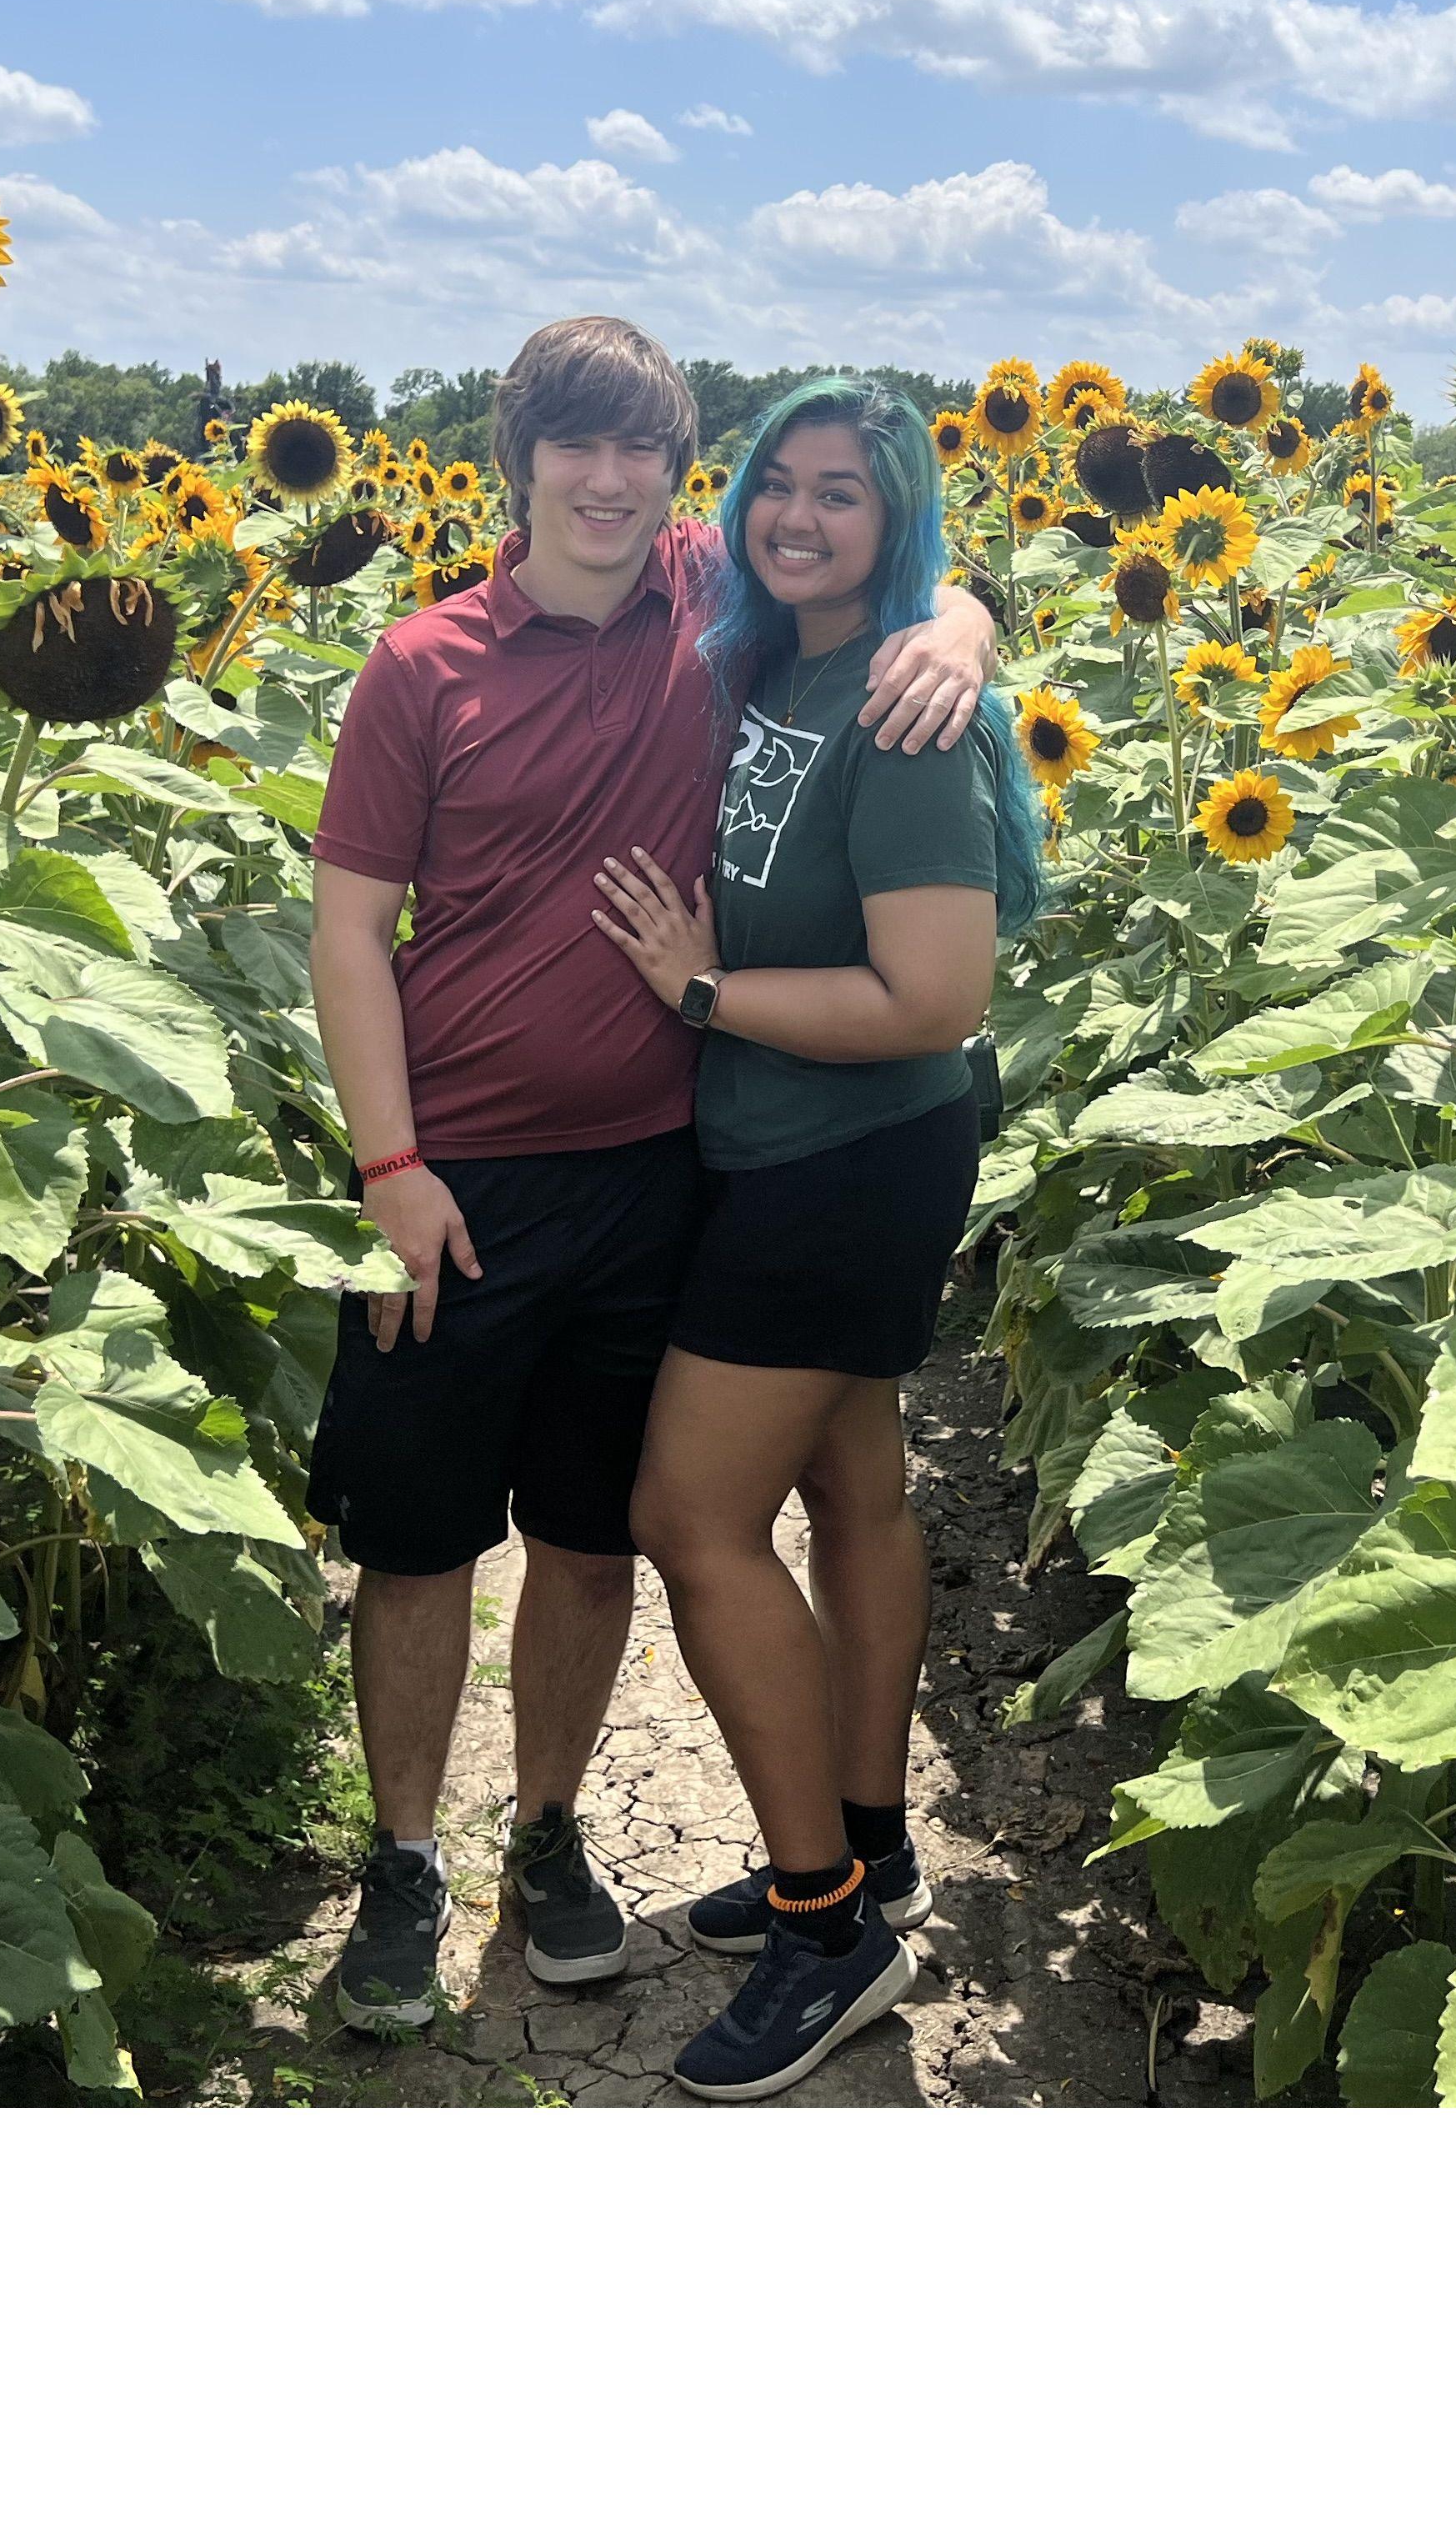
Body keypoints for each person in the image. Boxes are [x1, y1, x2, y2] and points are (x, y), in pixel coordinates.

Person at [305, 317, 999, 2038]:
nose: (611, 485)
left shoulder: (714, 597)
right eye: (577, 450)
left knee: (594, 1534)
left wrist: (964, 631)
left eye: (643, 455)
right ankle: (404, 1861)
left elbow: (893, 542)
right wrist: (387, 1164)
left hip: (658, 1173)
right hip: (452, 1175)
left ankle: (546, 1837)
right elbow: (345, 931)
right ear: (519, 460)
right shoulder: (423, 666)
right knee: (415, 1544)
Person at [589, 374, 1043, 2100]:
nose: (798, 517)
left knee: (688, 1515)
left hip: (849, 1155)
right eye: (776, 482)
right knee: (853, 1489)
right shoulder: (774, 647)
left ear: (897, 514)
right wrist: (968, 609)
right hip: (780, 1142)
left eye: (844, 494)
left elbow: (933, 997)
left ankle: (824, 1925)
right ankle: (871, 1846)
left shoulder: (911, 714)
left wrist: (700, 989)